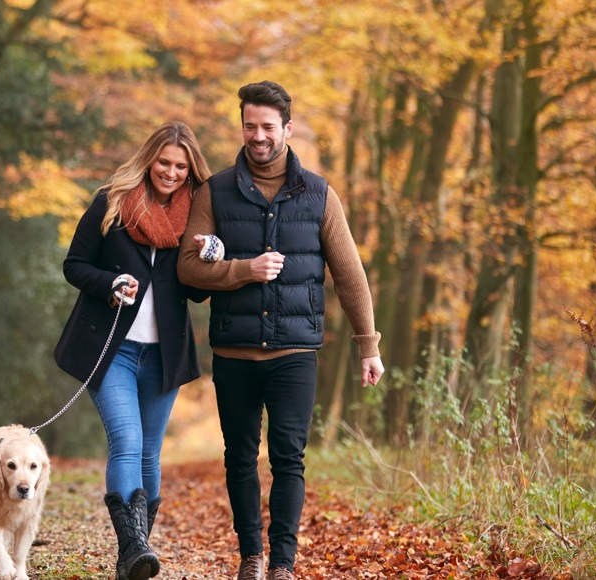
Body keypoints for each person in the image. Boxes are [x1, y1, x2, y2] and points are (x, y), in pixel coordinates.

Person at [177, 81, 385, 580]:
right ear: (242, 126)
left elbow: (350, 273)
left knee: (289, 458)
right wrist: (243, 270)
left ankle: (283, 565)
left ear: (287, 129)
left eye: (268, 127)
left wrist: (368, 346)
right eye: (250, 126)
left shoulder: (318, 194)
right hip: (234, 350)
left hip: (295, 353)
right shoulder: (215, 192)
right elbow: (187, 268)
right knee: (240, 459)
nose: (258, 136)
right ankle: (251, 557)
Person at [54, 120, 212, 580]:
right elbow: (74, 264)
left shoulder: (196, 217)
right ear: (149, 159)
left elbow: (199, 293)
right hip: (113, 350)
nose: (171, 172)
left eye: (181, 166)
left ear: (190, 169)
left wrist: (209, 256)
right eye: (164, 162)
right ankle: (133, 549)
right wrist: (110, 283)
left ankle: (133, 558)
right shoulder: (113, 202)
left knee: (149, 454)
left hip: (164, 355)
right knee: (126, 441)